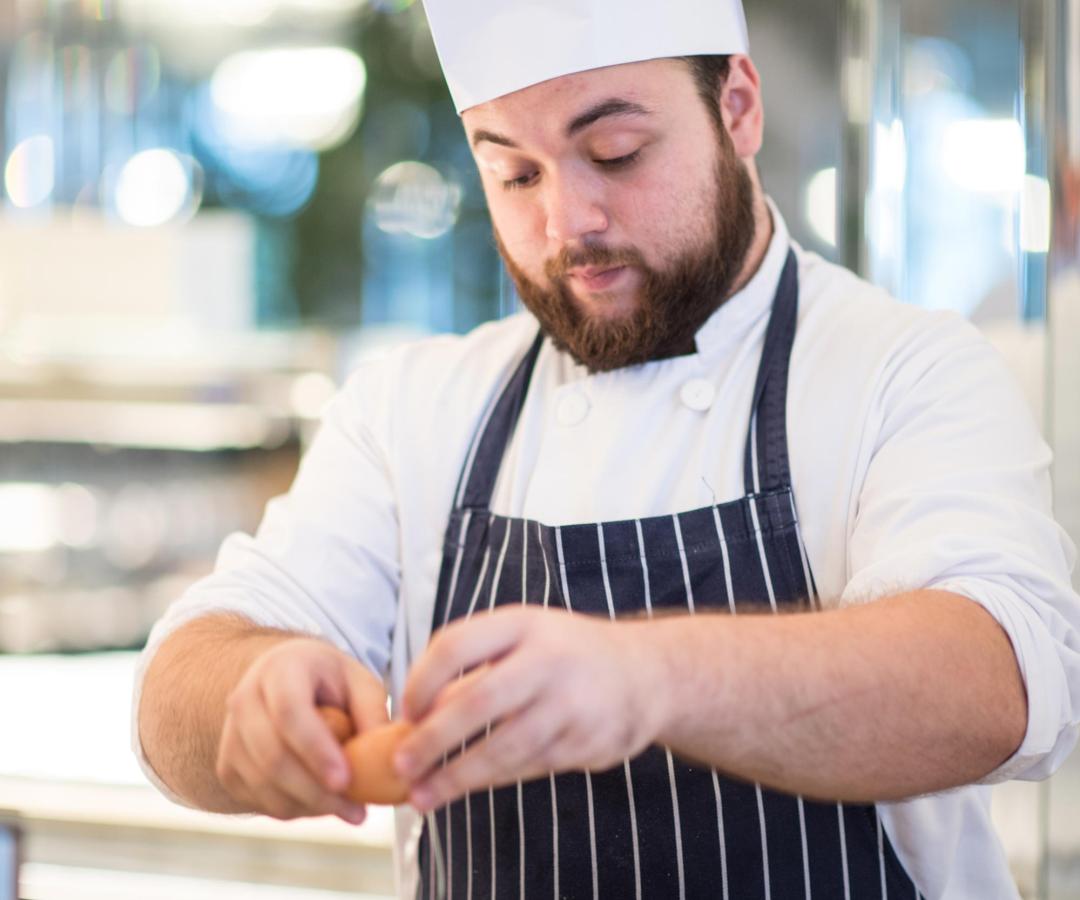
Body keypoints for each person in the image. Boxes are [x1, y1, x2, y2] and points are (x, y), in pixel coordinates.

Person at [133, 1, 1080, 897]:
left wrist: (649, 680)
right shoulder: (413, 408)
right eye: (514, 173)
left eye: (615, 154)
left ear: (737, 109)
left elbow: (1001, 681)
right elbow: (177, 686)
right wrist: (253, 696)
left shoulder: (905, 370)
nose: (565, 225)